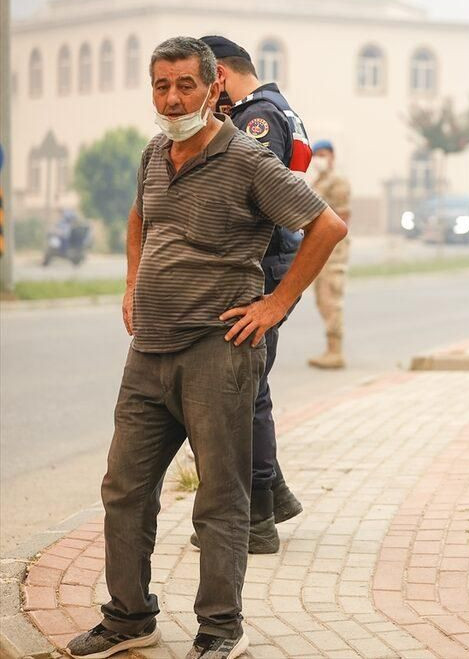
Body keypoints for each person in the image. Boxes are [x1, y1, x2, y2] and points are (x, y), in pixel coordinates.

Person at [65, 37, 346, 659]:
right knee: (124, 488)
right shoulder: (154, 153)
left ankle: (220, 630)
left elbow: (326, 226)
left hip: (217, 353)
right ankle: (129, 617)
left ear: (214, 87)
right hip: (149, 353)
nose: (172, 98)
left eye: (184, 85)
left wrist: (274, 307)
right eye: (161, 86)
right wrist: (132, 282)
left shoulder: (247, 158)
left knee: (220, 497)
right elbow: (141, 218)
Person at [195, 35, 311, 553]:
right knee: (251, 385)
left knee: (245, 394)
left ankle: (256, 519)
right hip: (269, 263)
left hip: (260, 269)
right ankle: (274, 496)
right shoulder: (269, 109)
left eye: (197, 81)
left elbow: (245, 199)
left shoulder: (257, 120)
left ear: (218, 74)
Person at [305, 139, 352, 369]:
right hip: (319, 246)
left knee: (331, 297)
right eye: (316, 154)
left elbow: (343, 217)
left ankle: (336, 351)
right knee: (322, 298)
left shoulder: (337, 181)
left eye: (323, 154)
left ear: (332, 156)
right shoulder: (319, 181)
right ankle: (330, 349)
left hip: (334, 250)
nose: (319, 159)